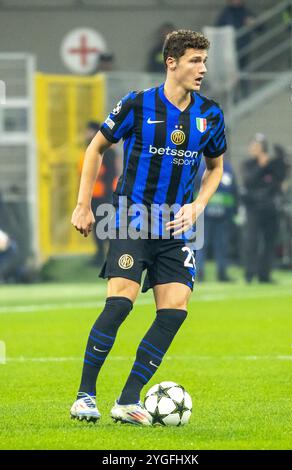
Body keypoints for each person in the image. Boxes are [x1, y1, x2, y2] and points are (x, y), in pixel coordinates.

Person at [70, 29, 227, 425]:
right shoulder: (137, 105)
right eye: (195, 60)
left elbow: (216, 167)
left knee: (174, 311)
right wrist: (82, 205)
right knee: (121, 302)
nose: (202, 69)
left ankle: (127, 399)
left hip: (176, 227)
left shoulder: (210, 114)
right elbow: (96, 148)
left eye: (204, 61)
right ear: (171, 62)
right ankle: (84, 396)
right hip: (131, 218)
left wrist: (198, 205)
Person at [241, 134, 287, 284]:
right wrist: (261, 166)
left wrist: (280, 158)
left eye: (256, 146)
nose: (253, 149)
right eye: (252, 146)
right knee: (251, 242)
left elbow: (281, 177)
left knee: (269, 242)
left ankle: (264, 275)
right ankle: (249, 274)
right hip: (253, 208)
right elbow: (248, 181)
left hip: (270, 208)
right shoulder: (248, 164)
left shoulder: (272, 165)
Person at [79, 121, 119, 266]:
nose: (86, 135)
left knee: (106, 227)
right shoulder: (89, 150)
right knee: (97, 228)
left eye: (89, 132)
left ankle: (112, 255)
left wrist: (107, 195)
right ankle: (100, 255)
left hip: (104, 195)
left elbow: (110, 175)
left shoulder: (107, 150)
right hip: (94, 196)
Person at [195, 156, 238, 282]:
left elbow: (233, 189)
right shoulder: (201, 166)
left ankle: (222, 273)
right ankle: (199, 273)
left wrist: (234, 210)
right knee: (202, 244)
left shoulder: (228, 167)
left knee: (222, 245)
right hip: (204, 213)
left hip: (223, 215)